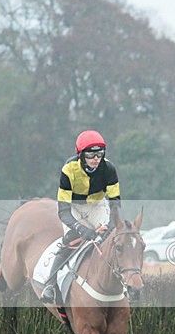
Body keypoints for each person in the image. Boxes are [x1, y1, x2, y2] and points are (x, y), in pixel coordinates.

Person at [40, 130, 122, 303]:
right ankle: (50, 284)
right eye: (91, 155)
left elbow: (115, 204)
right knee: (70, 238)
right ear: (80, 155)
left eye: (99, 154)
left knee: (108, 238)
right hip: (73, 208)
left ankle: (121, 281)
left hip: (97, 205)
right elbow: (63, 211)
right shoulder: (68, 170)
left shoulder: (109, 169)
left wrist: (110, 225)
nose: (96, 159)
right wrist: (82, 229)